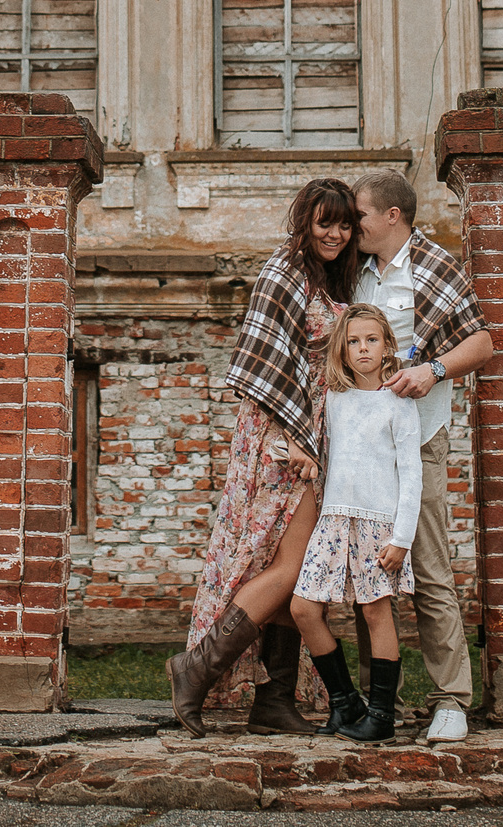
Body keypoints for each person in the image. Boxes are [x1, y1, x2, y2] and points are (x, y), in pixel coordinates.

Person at [167, 178, 357, 735]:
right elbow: (263, 365)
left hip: (311, 436)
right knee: (292, 566)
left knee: (289, 570)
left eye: (345, 224)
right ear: (305, 221)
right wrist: (298, 438)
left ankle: (272, 703)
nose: (336, 234)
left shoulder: (324, 279)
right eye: (326, 222)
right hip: (281, 435)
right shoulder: (284, 271)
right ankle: (195, 669)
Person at [349, 168, 493, 744]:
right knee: (366, 571)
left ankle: (451, 700)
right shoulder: (353, 274)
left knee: (428, 567)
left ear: (392, 216)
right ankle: (377, 698)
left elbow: (481, 341)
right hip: (360, 445)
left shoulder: (435, 265)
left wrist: (432, 370)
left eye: (358, 215)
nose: (349, 225)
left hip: (418, 439)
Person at [287, 304, 420, 742]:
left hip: (379, 524)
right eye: (353, 341)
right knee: (303, 608)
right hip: (333, 520)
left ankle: (380, 716)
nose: (363, 349)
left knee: (376, 612)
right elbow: (308, 436)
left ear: (387, 347)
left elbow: (412, 476)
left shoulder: (399, 403)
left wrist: (402, 538)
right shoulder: (334, 399)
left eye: (372, 340)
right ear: (342, 350)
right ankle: (345, 702)